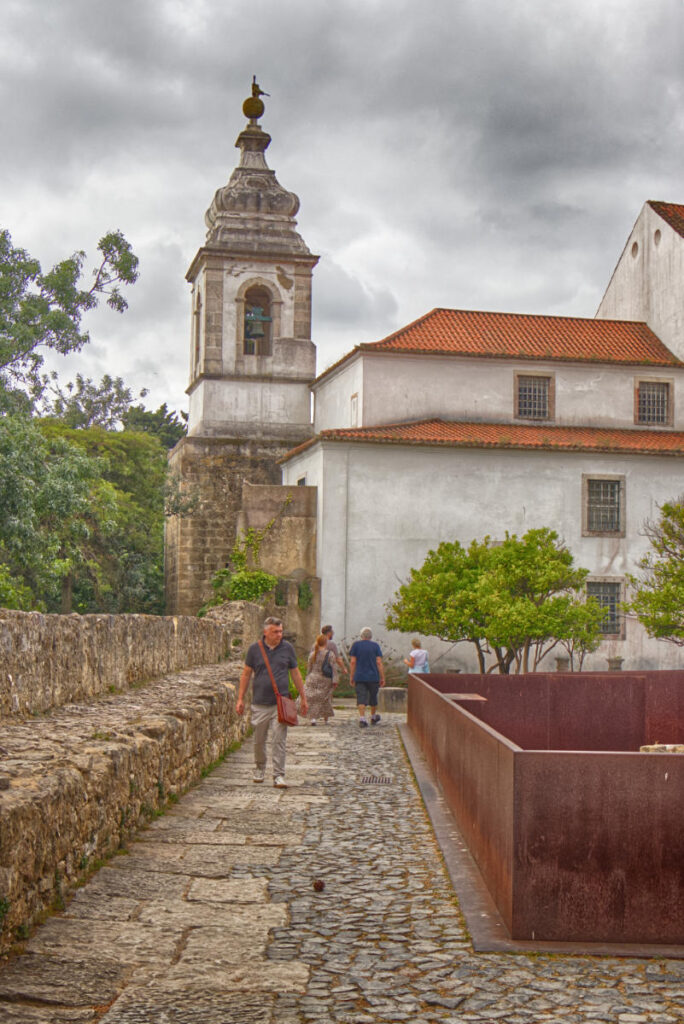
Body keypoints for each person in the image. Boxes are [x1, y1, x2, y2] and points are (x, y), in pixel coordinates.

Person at [237, 616, 307, 789]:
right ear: (265, 632)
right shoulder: (255, 649)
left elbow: (296, 673)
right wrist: (240, 698)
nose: (279, 634)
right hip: (260, 702)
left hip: (280, 703)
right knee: (259, 740)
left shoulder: (287, 649)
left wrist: (303, 697)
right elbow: (246, 674)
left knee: (278, 739)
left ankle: (278, 775)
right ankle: (260, 767)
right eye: (275, 631)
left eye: (281, 631)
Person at [349, 626, 385, 728]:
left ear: (361, 635)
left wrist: (352, 676)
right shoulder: (375, 646)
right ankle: (373, 717)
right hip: (373, 676)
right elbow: (379, 662)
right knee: (373, 697)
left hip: (360, 676)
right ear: (371, 636)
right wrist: (382, 677)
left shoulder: (356, 645)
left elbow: (353, 662)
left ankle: (362, 719)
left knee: (361, 697)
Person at [304, 633, 337, 725]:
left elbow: (309, 668)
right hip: (325, 679)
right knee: (325, 698)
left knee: (313, 699)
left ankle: (313, 718)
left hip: (313, 677)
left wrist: (307, 678)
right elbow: (334, 668)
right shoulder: (330, 654)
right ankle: (326, 719)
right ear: (326, 643)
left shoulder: (312, 654)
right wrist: (335, 680)